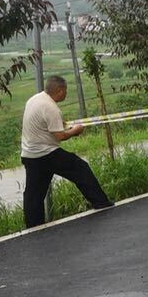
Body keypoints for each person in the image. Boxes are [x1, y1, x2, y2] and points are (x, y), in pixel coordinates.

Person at [21, 75, 114, 228]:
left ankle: (33, 226)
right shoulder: (51, 108)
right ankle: (101, 202)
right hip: (47, 153)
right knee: (80, 169)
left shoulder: (35, 99)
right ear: (59, 90)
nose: (66, 94)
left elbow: (48, 125)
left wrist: (64, 125)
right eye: (65, 91)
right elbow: (60, 135)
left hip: (30, 155)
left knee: (34, 193)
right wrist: (76, 131)